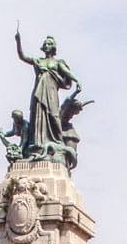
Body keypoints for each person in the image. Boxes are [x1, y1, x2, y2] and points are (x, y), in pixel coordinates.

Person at [15, 30, 82, 161]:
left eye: (49, 44)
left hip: (51, 93)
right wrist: (18, 42)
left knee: (53, 116)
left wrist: (77, 80)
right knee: (38, 116)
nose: (47, 45)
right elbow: (22, 56)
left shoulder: (57, 63)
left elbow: (67, 72)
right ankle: (38, 145)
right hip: (39, 92)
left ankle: (57, 142)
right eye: (45, 44)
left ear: (53, 47)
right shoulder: (38, 61)